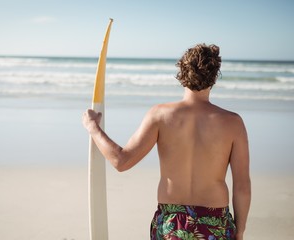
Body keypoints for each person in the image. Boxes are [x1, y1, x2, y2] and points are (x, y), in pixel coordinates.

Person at [82, 43, 251, 240]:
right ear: (214, 76)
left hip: (172, 224)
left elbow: (121, 161)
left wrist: (93, 128)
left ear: (182, 72)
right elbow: (242, 186)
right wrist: (239, 231)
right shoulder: (233, 123)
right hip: (216, 224)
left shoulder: (160, 115)